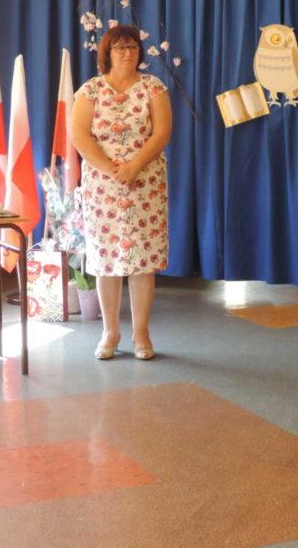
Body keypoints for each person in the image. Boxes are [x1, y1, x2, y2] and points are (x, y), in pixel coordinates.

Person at [72, 24, 172, 360]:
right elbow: (80, 137)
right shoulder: (90, 90)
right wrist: (111, 169)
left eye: (132, 47)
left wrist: (134, 166)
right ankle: (110, 332)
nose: (127, 53)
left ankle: (141, 334)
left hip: (145, 182)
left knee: (142, 261)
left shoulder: (153, 87)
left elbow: (161, 133)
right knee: (105, 260)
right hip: (102, 185)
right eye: (120, 48)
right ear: (107, 53)